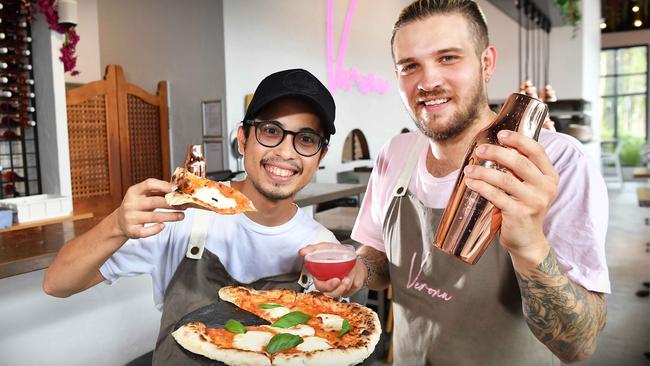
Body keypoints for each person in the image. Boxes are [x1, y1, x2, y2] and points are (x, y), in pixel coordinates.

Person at [300, 1, 609, 364]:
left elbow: (579, 344)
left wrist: (529, 244)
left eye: (448, 58)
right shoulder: (394, 154)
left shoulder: (555, 162)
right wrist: (357, 270)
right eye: (410, 66)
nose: (428, 81)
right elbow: (378, 260)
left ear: (487, 63)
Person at [43, 69, 339, 365]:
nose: (286, 152)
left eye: (306, 139)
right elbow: (57, 283)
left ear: (320, 157)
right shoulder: (183, 216)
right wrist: (116, 225)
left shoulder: (324, 249)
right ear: (242, 139)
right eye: (271, 131)